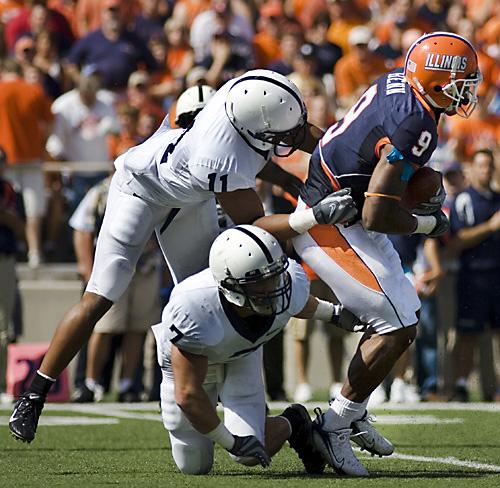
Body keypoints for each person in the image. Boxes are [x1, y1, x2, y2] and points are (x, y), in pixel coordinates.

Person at [9, 69, 357, 443]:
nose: (289, 139)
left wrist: (345, 160)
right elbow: (255, 224)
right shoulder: (218, 156)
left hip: (189, 197)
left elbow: (293, 137)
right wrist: (313, 215)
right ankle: (34, 394)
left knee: (228, 288)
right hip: (139, 192)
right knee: (101, 294)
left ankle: (229, 384)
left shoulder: (246, 98)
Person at [257, 32, 482, 476]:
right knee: (395, 325)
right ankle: (334, 425)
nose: (467, 92)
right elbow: (378, 214)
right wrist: (428, 224)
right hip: (329, 222)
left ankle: (351, 412)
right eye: (462, 82)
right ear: (437, 80)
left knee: (406, 317)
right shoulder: (416, 123)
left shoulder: (398, 82)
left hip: (344, 210)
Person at [152, 224, 365, 474]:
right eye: (258, 283)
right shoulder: (195, 308)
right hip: (197, 360)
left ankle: (294, 422)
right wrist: (230, 441)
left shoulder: (288, 283)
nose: (271, 288)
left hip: (243, 354)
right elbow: (188, 393)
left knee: (249, 455)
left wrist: (335, 314)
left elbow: (297, 301)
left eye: (273, 277)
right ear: (230, 285)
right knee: (193, 465)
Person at [449, 149, 500, 402]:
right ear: (472, 169)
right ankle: (461, 385)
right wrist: (489, 227)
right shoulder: (464, 199)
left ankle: (495, 387)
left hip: (497, 274)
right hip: (473, 275)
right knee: (467, 333)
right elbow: (457, 240)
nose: (485, 170)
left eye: (489, 165)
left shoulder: (498, 199)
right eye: (481, 165)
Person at [0, 147, 25, 404]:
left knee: (4, 325)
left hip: (4, 259)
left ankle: (1, 383)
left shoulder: (9, 190)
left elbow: (19, 225)